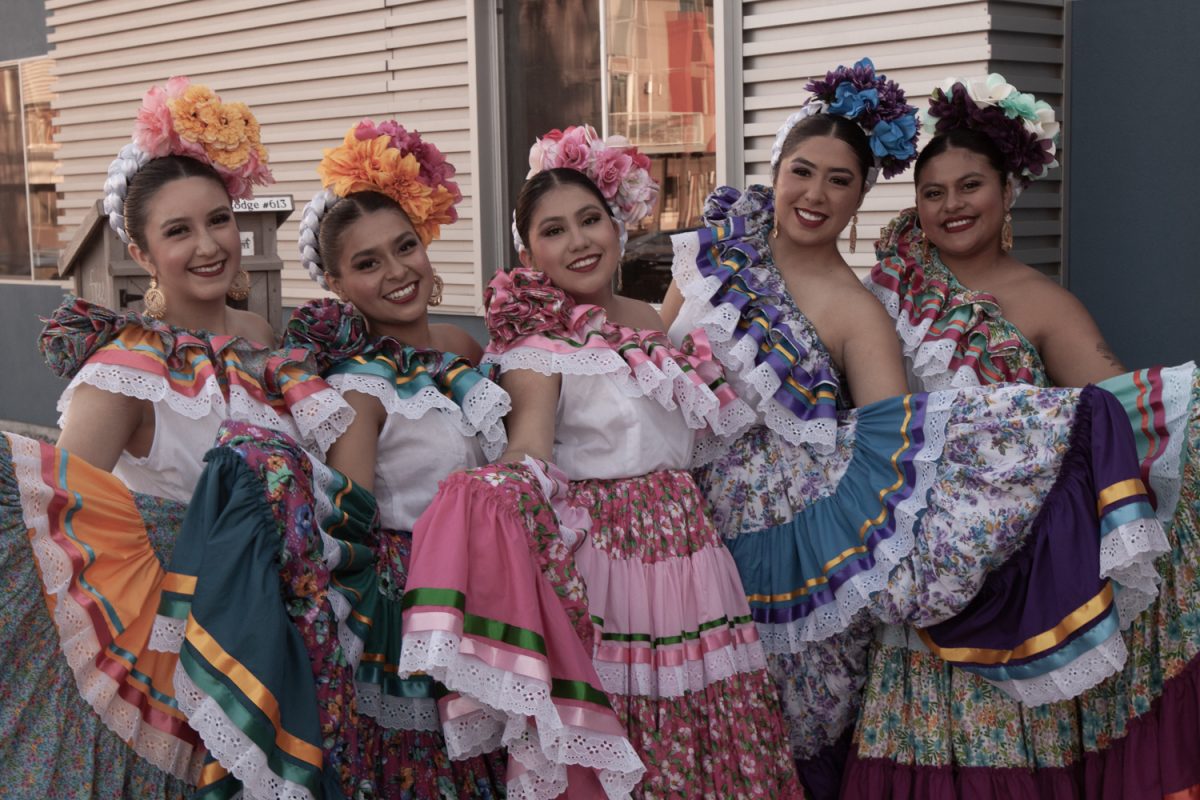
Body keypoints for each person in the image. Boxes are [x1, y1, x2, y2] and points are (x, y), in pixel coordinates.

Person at [663, 58, 1170, 799]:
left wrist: (1069, 426)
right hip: (680, 522)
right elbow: (644, 347)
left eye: (841, 180)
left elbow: (892, 443)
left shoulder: (866, 307)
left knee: (786, 732)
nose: (817, 193)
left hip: (813, 546)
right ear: (775, 170)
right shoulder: (748, 255)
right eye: (934, 191)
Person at [424, 124, 804, 798]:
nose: (578, 241)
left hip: (692, 551)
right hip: (609, 560)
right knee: (631, 731)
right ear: (528, 251)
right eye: (553, 230)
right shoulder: (536, 347)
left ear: (618, 225)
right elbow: (528, 453)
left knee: (708, 726)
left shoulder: (654, 324)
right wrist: (489, 493)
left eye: (589, 220)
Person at [0, 78, 349, 798]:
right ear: (141, 250)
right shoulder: (125, 368)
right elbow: (57, 518)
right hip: (178, 636)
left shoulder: (266, 344)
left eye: (218, 221)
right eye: (178, 231)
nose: (209, 245)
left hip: (283, 617)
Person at [856, 74, 1200, 797]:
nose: (952, 205)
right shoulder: (882, 292)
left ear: (1008, 191)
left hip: (1007, 574)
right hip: (907, 560)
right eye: (933, 192)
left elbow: (1114, 413)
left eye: (970, 185)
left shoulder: (1045, 304)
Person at [145, 120, 510, 798]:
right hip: (418, 601)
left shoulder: (462, 348)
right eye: (368, 263)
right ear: (339, 284)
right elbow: (350, 524)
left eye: (405, 247)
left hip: (486, 583)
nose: (397, 271)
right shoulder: (358, 388)